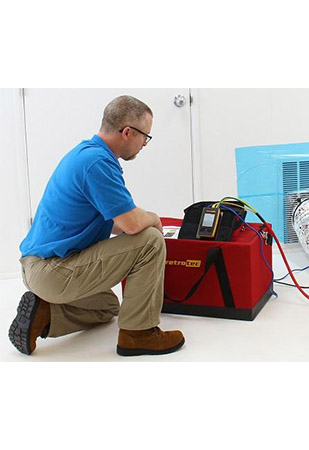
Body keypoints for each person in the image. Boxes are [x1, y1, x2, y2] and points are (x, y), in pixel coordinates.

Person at [8, 95, 185, 357]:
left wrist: (136, 221)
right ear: (127, 132)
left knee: (107, 307)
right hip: (52, 271)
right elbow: (132, 225)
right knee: (150, 240)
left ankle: (45, 314)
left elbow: (117, 223)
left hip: (38, 269)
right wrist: (154, 219)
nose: (144, 144)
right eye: (145, 137)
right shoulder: (97, 163)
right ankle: (138, 334)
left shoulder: (86, 154)